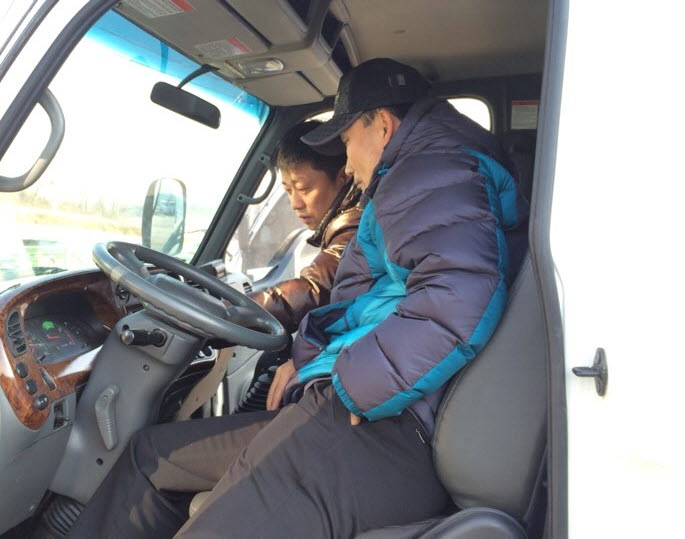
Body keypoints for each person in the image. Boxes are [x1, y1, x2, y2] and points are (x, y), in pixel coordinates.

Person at [69, 58, 522, 538]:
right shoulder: (428, 176)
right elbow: (382, 302)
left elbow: (457, 296)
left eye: (347, 142)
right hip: (366, 406)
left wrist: (354, 382)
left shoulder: (429, 172)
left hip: (382, 422)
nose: (346, 163)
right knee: (149, 459)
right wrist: (309, 364)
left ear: (383, 126)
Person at [247, 120, 363, 410]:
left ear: (343, 177)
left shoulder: (356, 225)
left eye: (304, 188)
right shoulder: (346, 221)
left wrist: (233, 311)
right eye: (288, 190)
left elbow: (314, 289)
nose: (295, 203)